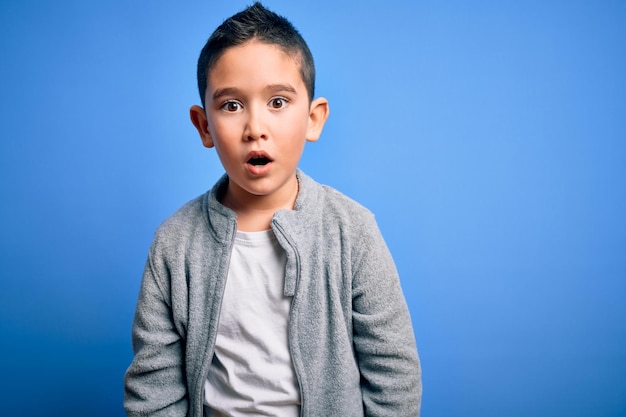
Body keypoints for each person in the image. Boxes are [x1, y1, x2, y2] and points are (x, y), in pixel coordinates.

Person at [124, 2, 421, 416]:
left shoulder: (352, 231)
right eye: (231, 105)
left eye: (278, 102)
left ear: (313, 119)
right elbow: (154, 391)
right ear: (204, 126)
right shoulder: (174, 244)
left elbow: (394, 375)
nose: (255, 128)